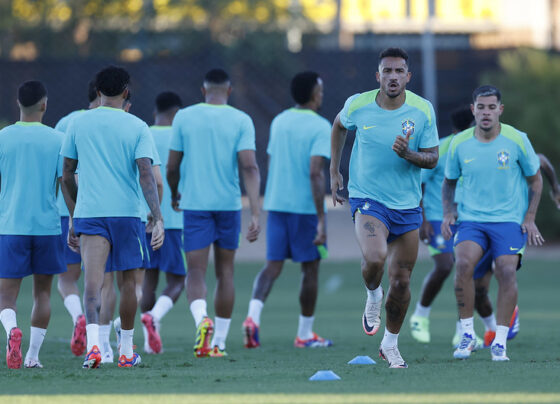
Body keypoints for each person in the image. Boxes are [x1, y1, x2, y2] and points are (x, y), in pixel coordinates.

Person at [330, 48, 439, 368]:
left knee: (403, 282)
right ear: (378, 76)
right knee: (375, 258)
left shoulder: (422, 111)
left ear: (408, 76)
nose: (393, 77)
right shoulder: (358, 104)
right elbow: (338, 125)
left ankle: (390, 344)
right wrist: (335, 170)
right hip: (368, 199)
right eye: (387, 71)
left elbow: (432, 158)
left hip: (407, 205)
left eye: (399, 71)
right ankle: (373, 294)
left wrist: (410, 155)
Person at [61, 65, 164, 368]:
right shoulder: (137, 126)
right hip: (126, 215)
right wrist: (157, 217)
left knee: (93, 284)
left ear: (98, 92)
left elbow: (66, 174)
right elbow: (147, 174)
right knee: (128, 284)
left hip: (91, 214)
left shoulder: (78, 124)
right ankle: (126, 351)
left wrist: (76, 211)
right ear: (126, 92)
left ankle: (94, 347)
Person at [442, 85, 543, 361]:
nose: (486, 112)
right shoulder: (459, 143)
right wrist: (448, 212)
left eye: (491, 107)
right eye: (481, 107)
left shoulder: (517, 139)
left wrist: (530, 216)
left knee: (507, 272)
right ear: (473, 109)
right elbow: (448, 183)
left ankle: (499, 341)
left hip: (508, 221)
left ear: (500, 110)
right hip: (472, 220)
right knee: (463, 265)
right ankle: (466, 334)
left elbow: (536, 178)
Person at [167, 68, 261, 358]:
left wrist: (174, 193)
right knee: (226, 273)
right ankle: (218, 342)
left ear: (203, 90)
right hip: (229, 206)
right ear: (229, 91)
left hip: (195, 205)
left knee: (195, 271)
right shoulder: (241, 120)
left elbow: (172, 166)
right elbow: (249, 167)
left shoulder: (183, 117)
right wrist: (255, 213)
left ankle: (201, 320)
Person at [243, 71, 332, 349]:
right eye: (320, 89)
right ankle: (305, 334)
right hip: (304, 208)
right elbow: (316, 174)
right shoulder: (320, 126)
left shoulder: (279, 121)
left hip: (277, 204)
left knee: (272, 266)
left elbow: (271, 160)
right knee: (311, 269)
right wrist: (321, 218)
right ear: (314, 94)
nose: (322, 93)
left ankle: (252, 317)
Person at [0, 81, 65, 368]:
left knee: (6, 296)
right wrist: (74, 219)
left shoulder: (3, 137)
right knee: (42, 293)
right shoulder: (58, 139)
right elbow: (66, 184)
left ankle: (12, 330)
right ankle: (32, 357)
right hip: (47, 227)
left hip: (11, 225)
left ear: (18, 103)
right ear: (44, 104)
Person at [409, 106, 478, 344]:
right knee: (445, 265)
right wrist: (423, 219)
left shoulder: (477, 148)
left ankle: (463, 331)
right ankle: (420, 315)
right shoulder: (441, 149)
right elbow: (420, 183)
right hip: (438, 217)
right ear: (467, 126)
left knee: (468, 271)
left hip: (467, 217)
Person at [54, 80, 100, 357]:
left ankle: (77, 317)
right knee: (101, 279)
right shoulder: (119, 122)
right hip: (101, 211)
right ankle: (102, 338)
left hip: (67, 210)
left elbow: (62, 171)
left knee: (67, 278)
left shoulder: (66, 123)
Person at [140, 91, 186, 354]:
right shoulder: (179, 137)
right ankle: (154, 316)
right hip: (173, 219)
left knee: (149, 279)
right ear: (176, 114)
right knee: (178, 280)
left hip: (145, 217)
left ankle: (148, 343)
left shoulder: (143, 133)